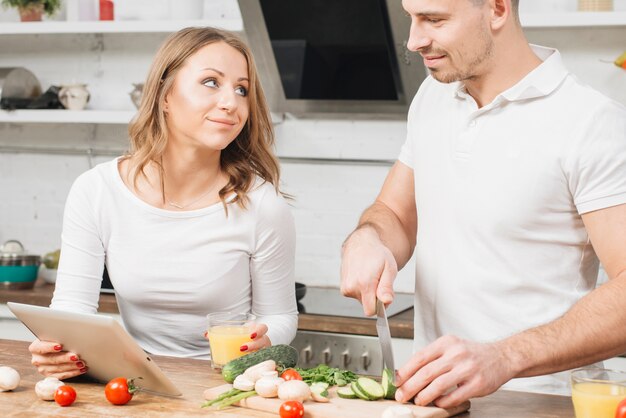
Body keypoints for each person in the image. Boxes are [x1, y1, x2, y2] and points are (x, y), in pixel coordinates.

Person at [340, 0, 626, 408]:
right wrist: (368, 239)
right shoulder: (433, 97)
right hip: (435, 402)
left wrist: (503, 357)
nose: (414, 40)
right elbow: (396, 214)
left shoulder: (590, 123)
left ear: (496, 9)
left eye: (434, 20)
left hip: (539, 403)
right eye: (411, 18)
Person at [29, 27, 298, 380]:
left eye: (241, 89)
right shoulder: (97, 191)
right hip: (134, 381)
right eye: (211, 82)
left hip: (227, 382)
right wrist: (59, 348)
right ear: (164, 94)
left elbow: (280, 317)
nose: (231, 102)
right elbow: (72, 308)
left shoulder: (263, 206)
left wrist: (262, 341)